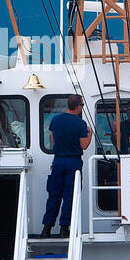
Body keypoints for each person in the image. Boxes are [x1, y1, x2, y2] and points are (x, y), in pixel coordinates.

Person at [40, 95, 91, 237]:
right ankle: (64, 228)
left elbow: (52, 140)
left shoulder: (56, 119)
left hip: (58, 161)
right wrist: (90, 134)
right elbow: (84, 145)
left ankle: (47, 228)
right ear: (79, 106)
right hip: (73, 162)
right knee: (70, 196)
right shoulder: (80, 123)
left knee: (54, 195)